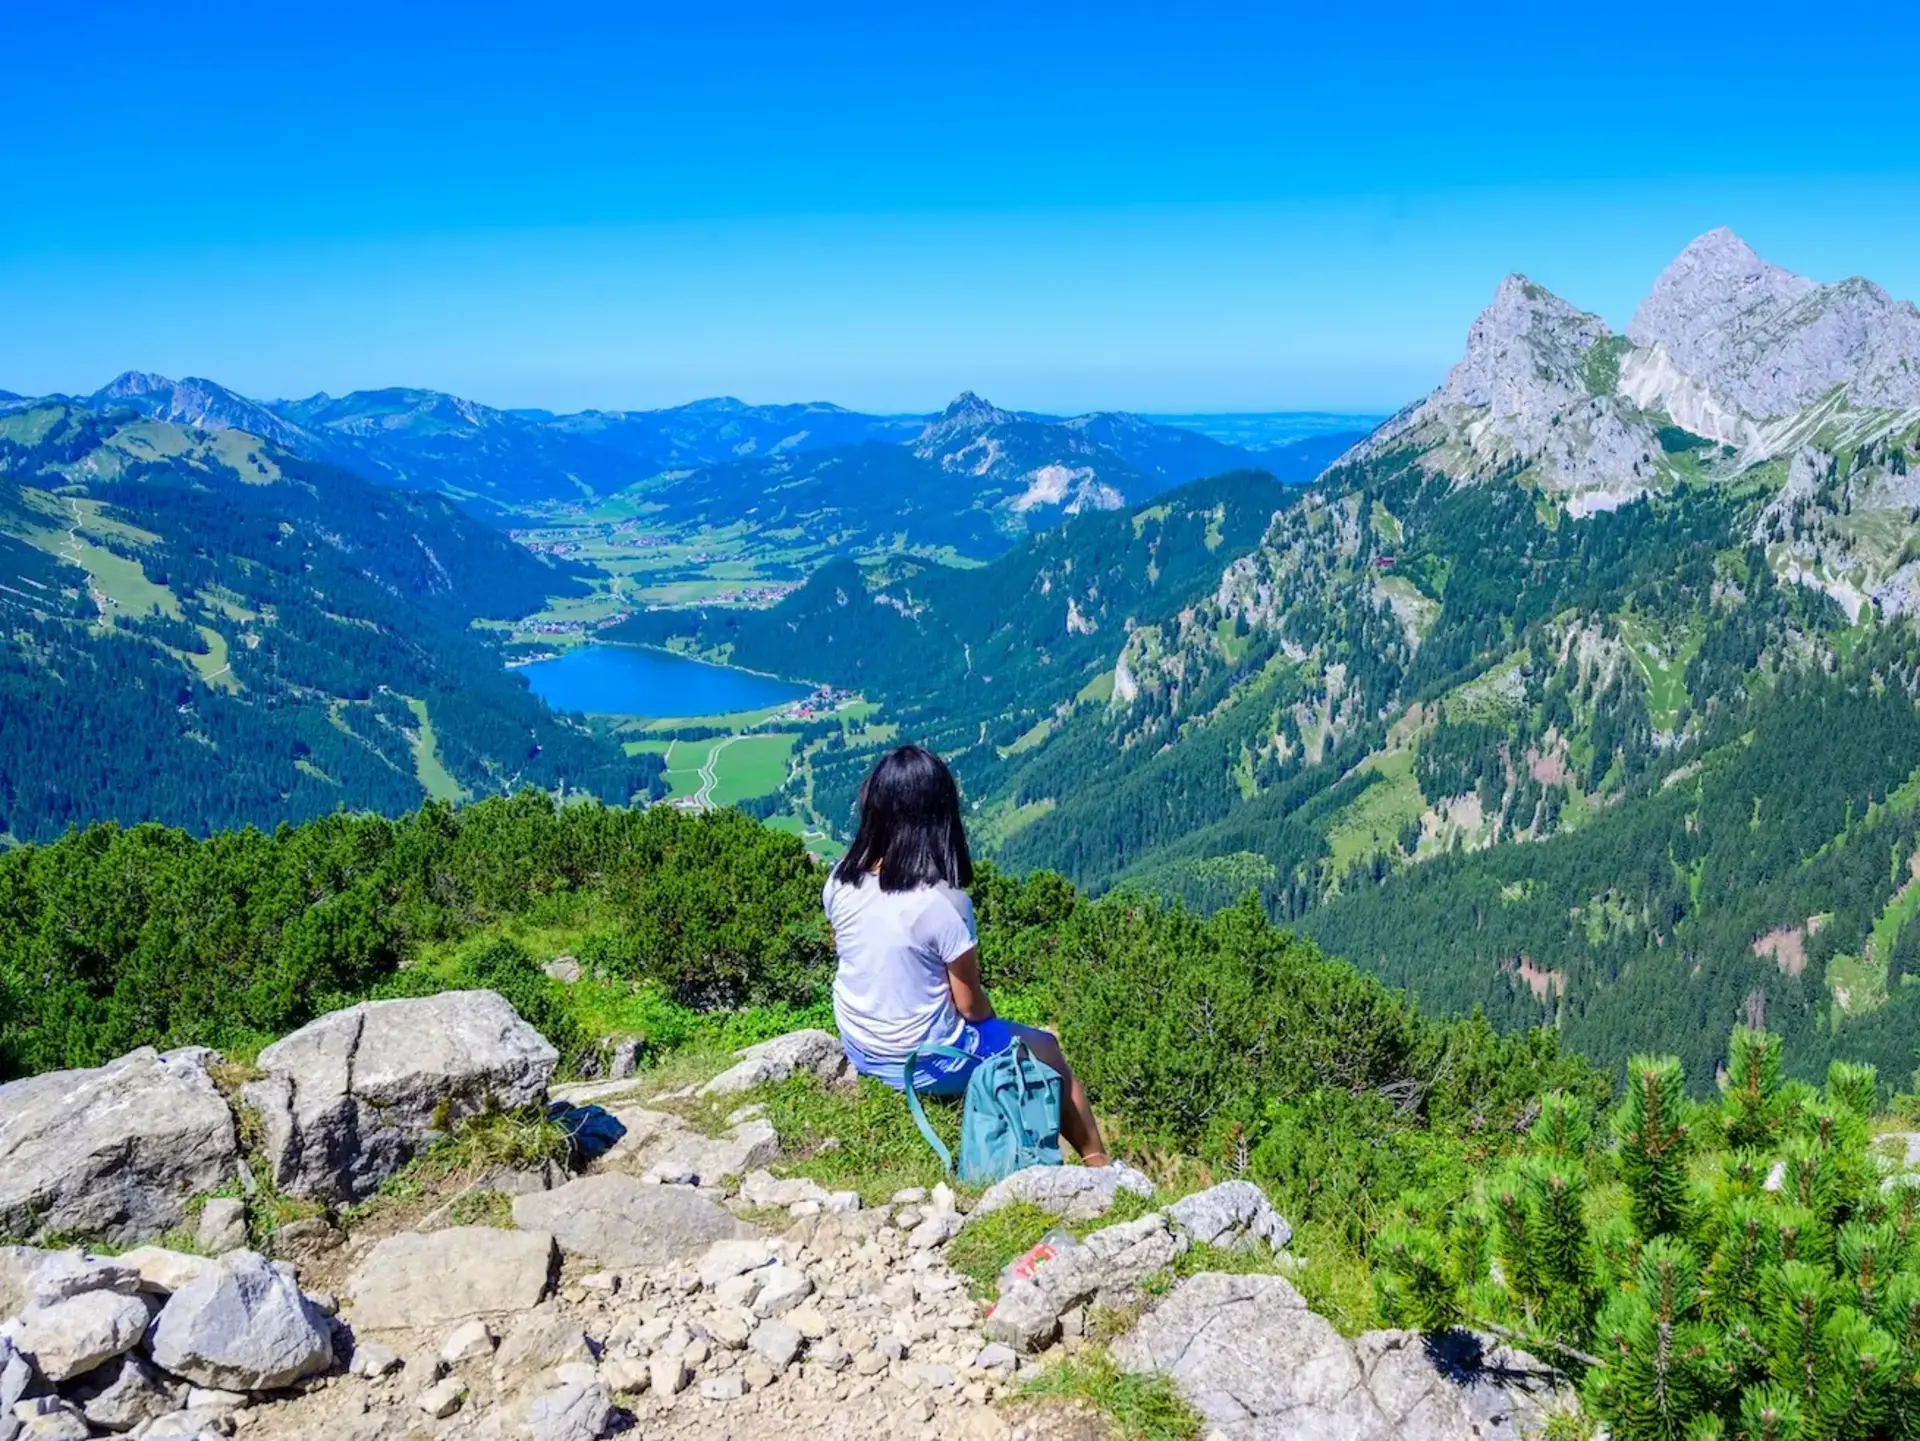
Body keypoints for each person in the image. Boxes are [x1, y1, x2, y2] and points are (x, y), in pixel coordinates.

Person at [823, 744, 1109, 1166]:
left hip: (859, 1042)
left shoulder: (841, 877)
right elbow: (970, 1005)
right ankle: (1098, 1162)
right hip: (922, 1062)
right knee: (1046, 1046)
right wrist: (996, 1028)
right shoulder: (942, 903)